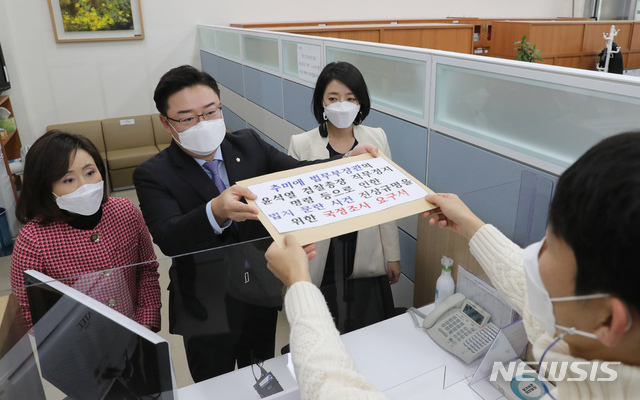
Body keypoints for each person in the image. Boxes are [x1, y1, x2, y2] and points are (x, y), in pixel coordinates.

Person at [266, 131, 640, 399]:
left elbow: (334, 389)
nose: (533, 258)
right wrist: (473, 227)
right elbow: (547, 310)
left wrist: (300, 285)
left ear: (609, 321)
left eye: (547, 251)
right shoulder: (612, 353)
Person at [133, 65, 378, 382]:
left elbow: (298, 174)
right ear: (167, 123)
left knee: (263, 380)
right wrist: (215, 210)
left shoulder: (247, 144)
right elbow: (169, 236)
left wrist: (346, 160)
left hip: (258, 293)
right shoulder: (153, 173)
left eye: (211, 112)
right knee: (215, 386)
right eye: (189, 118)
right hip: (206, 307)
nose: (204, 123)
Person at [288, 62, 401, 333]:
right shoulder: (301, 143)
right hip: (321, 254)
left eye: (350, 99)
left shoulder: (377, 137)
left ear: (360, 103)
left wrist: (393, 255)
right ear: (321, 103)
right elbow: (294, 210)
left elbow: (386, 201)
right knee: (325, 330)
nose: (342, 105)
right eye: (333, 98)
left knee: (368, 330)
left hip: (365, 252)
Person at [10, 130, 161, 332]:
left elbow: (147, 271)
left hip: (135, 331)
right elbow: (28, 309)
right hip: (76, 349)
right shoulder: (33, 239)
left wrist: (145, 324)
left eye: (90, 173)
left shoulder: (125, 211)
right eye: (68, 180)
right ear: (45, 187)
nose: (85, 186)